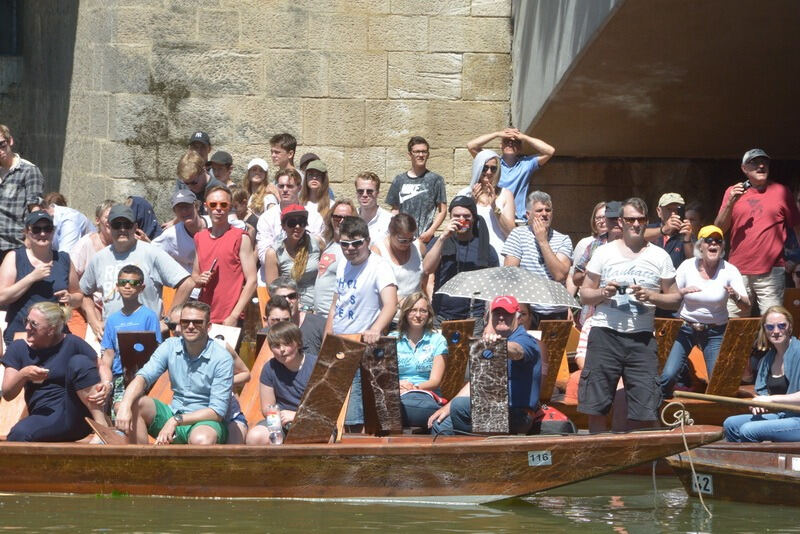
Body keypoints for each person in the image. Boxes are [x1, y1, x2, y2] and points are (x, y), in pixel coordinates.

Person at [578, 197, 679, 433]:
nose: (636, 224)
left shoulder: (660, 256)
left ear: (646, 221)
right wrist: (604, 292)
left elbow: (674, 299)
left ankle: (645, 463)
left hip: (641, 338)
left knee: (647, 407)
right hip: (605, 335)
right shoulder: (604, 253)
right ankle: (598, 457)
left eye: (641, 220)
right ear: (621, 222)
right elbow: (584, 295)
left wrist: (652, 297)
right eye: (631, 219)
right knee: (596, 406)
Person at [114, 300, 234, 445]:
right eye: (185, 322)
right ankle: (141, 461)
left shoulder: (222, 358)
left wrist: (176, 421)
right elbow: (142, 377)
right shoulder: (170, 346)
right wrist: (125, 405)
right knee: (136, 403)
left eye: (197, 322)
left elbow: (217, 412)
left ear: (208, 327)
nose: (190, 326)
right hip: (174, 411)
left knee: (201, 439)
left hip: (204, 421)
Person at [657, 225, 750, 398]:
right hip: (685, 328)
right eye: (709, 241)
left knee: (717, 380)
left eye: (718, 241)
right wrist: (681, 293)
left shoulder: (729, 270)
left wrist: (736, 296)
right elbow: (669, 295)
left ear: (722, 247)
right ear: (700, 245)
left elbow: (746, 306)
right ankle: (660, 411)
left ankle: (717, 418)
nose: (713, 244)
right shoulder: (687, 266)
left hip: (715, 331)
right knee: (668, 375)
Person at [429, 295, 542, 435]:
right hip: (490, 409)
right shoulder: (489, 343)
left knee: (460, 406)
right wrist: (447, 407)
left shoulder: (525, 339)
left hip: (518, 414)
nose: (501, 317)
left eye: (507, 313)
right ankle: (456, 455)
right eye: (497, 313)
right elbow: (476, 382)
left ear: (518, 317)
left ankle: (479, 450)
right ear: (490, 317)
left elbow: (518, 350)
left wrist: (501, 346)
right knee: (440, 423)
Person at [80, 204, 194, 340]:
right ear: (109, 227)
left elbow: (187, 283)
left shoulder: (151, 253)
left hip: (147, 336)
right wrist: (94, 321)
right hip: (112, 336)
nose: (122, 229)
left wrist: (168, 321)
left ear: (135, 227)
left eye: (127, 225)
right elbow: (84, 292)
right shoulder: (99, 258)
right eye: (117, 225)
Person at [325, 216, 398, 429]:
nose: (350, 249)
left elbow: (391, 304)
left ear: (367, 241)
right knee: (334, 404)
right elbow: (336, 303)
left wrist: (375, 329)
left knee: (354, 410)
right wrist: (328, 335)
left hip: (361, 344)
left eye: (357, 243)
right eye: (345, 244)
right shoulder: (342, 265)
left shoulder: (379, 266)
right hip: (339, 342)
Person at [2, 302, 107, 442]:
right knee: (18, 435)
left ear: (51, 329)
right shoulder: (18, 348)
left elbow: (101, 366)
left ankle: (102, 428)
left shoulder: (72, 343)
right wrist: (23, 374)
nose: (27, 327)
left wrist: (107, 384)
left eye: (34, 324)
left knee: (79, 361)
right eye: (26, 321)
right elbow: (8, 393)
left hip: (78, 415)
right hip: (45, 416)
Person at [715, 149, 800, 316]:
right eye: (754, 162)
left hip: (771, 270)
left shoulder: (781, 191)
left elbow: (797, 227)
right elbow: (719, 228)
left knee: (773, 321)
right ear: (744, 168)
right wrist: (732, 201)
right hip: (738, 270)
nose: (761, 166)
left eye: (764, 162)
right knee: (735, 323)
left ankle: (768, 344)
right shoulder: (732, 191)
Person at [165, 304, 250, 444]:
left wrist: (221, 382)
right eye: (173, 326)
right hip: (190, 413)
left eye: (193, 322)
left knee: (233, 456)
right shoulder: (172, 348)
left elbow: (246, 374)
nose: (178, 329)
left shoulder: (220, 347)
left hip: (228, 415)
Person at [0, 211, 81, 345]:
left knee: (83, 362)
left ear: (53, 231)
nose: (42, 234)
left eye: (47, 229)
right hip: (23, 334)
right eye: (37, 229)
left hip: (56, 335)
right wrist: (30, 278)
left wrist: (70, 298)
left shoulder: (63, 259)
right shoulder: (15, 257)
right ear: (26, 232)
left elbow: (79, 296)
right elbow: (2, 297)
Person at [423, 196, 499, 334]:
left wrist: (490, 325)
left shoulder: (486, 249)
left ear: (474, 218)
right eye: (457, 216)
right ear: (450, 217)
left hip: (473, 318)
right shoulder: (440, 242)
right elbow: (427, 269)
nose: (462, 219)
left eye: (466, 216)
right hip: (441, 315)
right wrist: (443, 237)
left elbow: (495, 291)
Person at [723, 306, 800, 442]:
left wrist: (770, 400)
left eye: (781, 325)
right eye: (770, 327)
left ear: (790, 327)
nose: (776, 331)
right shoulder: (767, 359)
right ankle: (739, 460)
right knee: (731, 424)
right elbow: (763, 394)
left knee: (748, 430)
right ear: (765, 330)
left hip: (797, 418)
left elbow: (771, 399)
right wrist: (759, 403)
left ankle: (757, 462)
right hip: (782, 415)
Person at [99, 265, 163, 415]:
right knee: (116, 410)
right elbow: (108, 354)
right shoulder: (113, 319)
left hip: (142, 376)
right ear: (117, 286)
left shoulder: (149, 316)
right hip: (119, 376)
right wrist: (105, 381)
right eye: (123, 282)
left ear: (142, 287)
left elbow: (155, 349)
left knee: (127, 409)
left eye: (133, 283)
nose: (127, 286)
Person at [503, 190, 573, 326]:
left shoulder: (563, 239)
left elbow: (559, 275)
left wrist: (543, 241)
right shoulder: (518, 235)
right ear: (528, 215)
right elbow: (510, 273)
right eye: (539, 210)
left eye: (548, 210)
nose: (544, 214)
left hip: (557, 311)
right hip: (529, 311)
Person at [193, 186, 257, 326]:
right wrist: (200, 278)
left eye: (223, 204)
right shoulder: (199, 237)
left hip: (229, 317)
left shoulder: (240, 237)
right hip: (205, 316)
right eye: (213, 204)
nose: (218, 209)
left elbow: (252, 280)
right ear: (206, 207)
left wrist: (234, 315)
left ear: (230, 207)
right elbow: (195, 276)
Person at [245, 321, 317, 445]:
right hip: (280, 422)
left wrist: (297, 416)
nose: (282, 350)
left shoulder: (316, 365)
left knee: (315, 439)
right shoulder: (270, 368)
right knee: (255, 437)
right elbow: (267, 408)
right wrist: (277, 416)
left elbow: (324, 409)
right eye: (276, 346)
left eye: (287, 344)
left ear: (298, 343)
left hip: (313, 421)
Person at [467, 127, 555, 222]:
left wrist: (524, 137)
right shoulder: (493, 164)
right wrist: (497, 134)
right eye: (506, 141)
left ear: (520, 147)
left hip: (518, 220)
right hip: (494, 216)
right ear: (501, 145)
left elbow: (549, 151)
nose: (510, 143)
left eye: (515, 142)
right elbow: (471, 146)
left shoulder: (526, 164)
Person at [391, 292, 447, 428]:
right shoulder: (391, 339)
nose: (418, 315)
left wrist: (413, 388)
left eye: (423, 311)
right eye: (413, 310)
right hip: (397, 392)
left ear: (429, 314)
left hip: (426, 395)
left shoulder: (438, 340)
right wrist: (398, 385)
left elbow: (435, 381)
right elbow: (386, 377)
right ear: (405, 313)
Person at [256, 169, 324, 268]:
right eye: (281, 186)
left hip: (307, 272)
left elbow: (318, 250)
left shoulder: (314, 217)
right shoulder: (266, 218)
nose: (284, 190)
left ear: (299, 188)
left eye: (290, 186)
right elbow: (263, 256)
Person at [385, 136, 447, 244]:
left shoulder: (436, 180)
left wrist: (430, 231)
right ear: (410, 154)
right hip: (403, 239)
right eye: (417, 152)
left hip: (426, 240)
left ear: (428, 154)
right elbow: (395, 210)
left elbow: (442, 210)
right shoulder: (399, 180)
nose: (421, 155)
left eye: (424, 152)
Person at [457, 149, 515, 259]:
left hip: (499, 255)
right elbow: (460, 229)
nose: (489, 172)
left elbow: (511, 233)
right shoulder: (464, 194)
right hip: (472, 254)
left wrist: (494, 207)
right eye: (485, 167)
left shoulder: (506, 194)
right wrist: (471, 205)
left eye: (493, 168)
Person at [0, 124, 44, 265]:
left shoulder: (28, 170)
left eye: (2, 145)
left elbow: (34, 209)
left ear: (10, 141)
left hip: (13, 244)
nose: (0, 151)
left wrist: (31, 238)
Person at [264, 205, 321, 311]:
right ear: (283, 226)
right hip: (290, 308)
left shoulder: (317, 243)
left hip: (317, 306)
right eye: (292, 223)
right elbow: (273, 291)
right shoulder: (274, 253)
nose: (298, 226)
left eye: (302, 222)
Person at [265, 275, 327, 361]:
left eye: (292, 296)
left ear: (298, 297)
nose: (288, 301)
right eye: (281, 298)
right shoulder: (266, 333)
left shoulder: (320, 324)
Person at [371, 213, 425, 308]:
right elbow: (375, 284)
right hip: (390, 309)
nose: (407, 244)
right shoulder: (378, 251)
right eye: (402, 240)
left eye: (411, 239)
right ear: (391, 233)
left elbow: (428, 273)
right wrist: (402, 302)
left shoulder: (418, 246)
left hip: (415, 309)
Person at [314, 199, 357, 316]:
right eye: (337, 217)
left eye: (346, 218)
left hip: (335, 316)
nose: (341, 221)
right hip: (319, 314)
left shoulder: (351, 250)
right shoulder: (329, 243)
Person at [151, 189, 205, 274]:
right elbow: (152, 251)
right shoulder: (171, 235)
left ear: (197, 206)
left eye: (187, 206)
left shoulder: (215, 224)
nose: (184, 211)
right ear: (175, 212)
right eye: (179, 208)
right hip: (191, 282)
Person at [644, 193, 694, 270]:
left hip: (675, 279)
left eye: (677, 209)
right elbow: (639, 236)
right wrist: (664, 230)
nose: (673, 213)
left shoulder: (686, 233)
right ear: (659, 211)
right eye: (669, 209)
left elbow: (693, 262)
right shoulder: (650, 229)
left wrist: (687, 240)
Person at [174, 149, 226, 215]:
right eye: (186, 183)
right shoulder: (181, 184)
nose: (190, 187)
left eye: (194, 182)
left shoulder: (219, 189)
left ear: (203, 171)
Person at [356, 171, 392, 243]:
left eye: (369, 191)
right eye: (360, 191)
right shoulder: (350, 217)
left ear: (377, 193)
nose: (364, 195)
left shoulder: (389, 220)